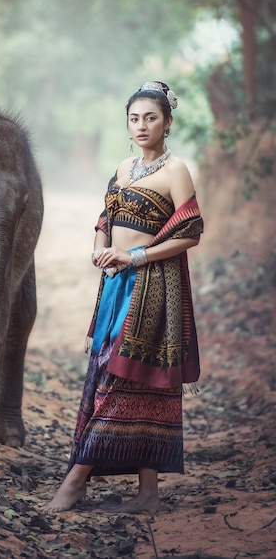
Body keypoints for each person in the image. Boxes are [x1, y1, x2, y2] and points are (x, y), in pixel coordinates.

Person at [43, 81, 203, 514]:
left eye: (151, 118)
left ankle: (76, 481)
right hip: (115, 285)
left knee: (122, 375)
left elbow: (190, 230)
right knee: (113, 374)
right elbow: (105, 216)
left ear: (167, 123)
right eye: (134, 118)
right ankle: (148, 494)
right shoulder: (124, 166)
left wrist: (135, 255)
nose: (142, 125)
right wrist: (99, 246)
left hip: (152, 286)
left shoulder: (176, 170)